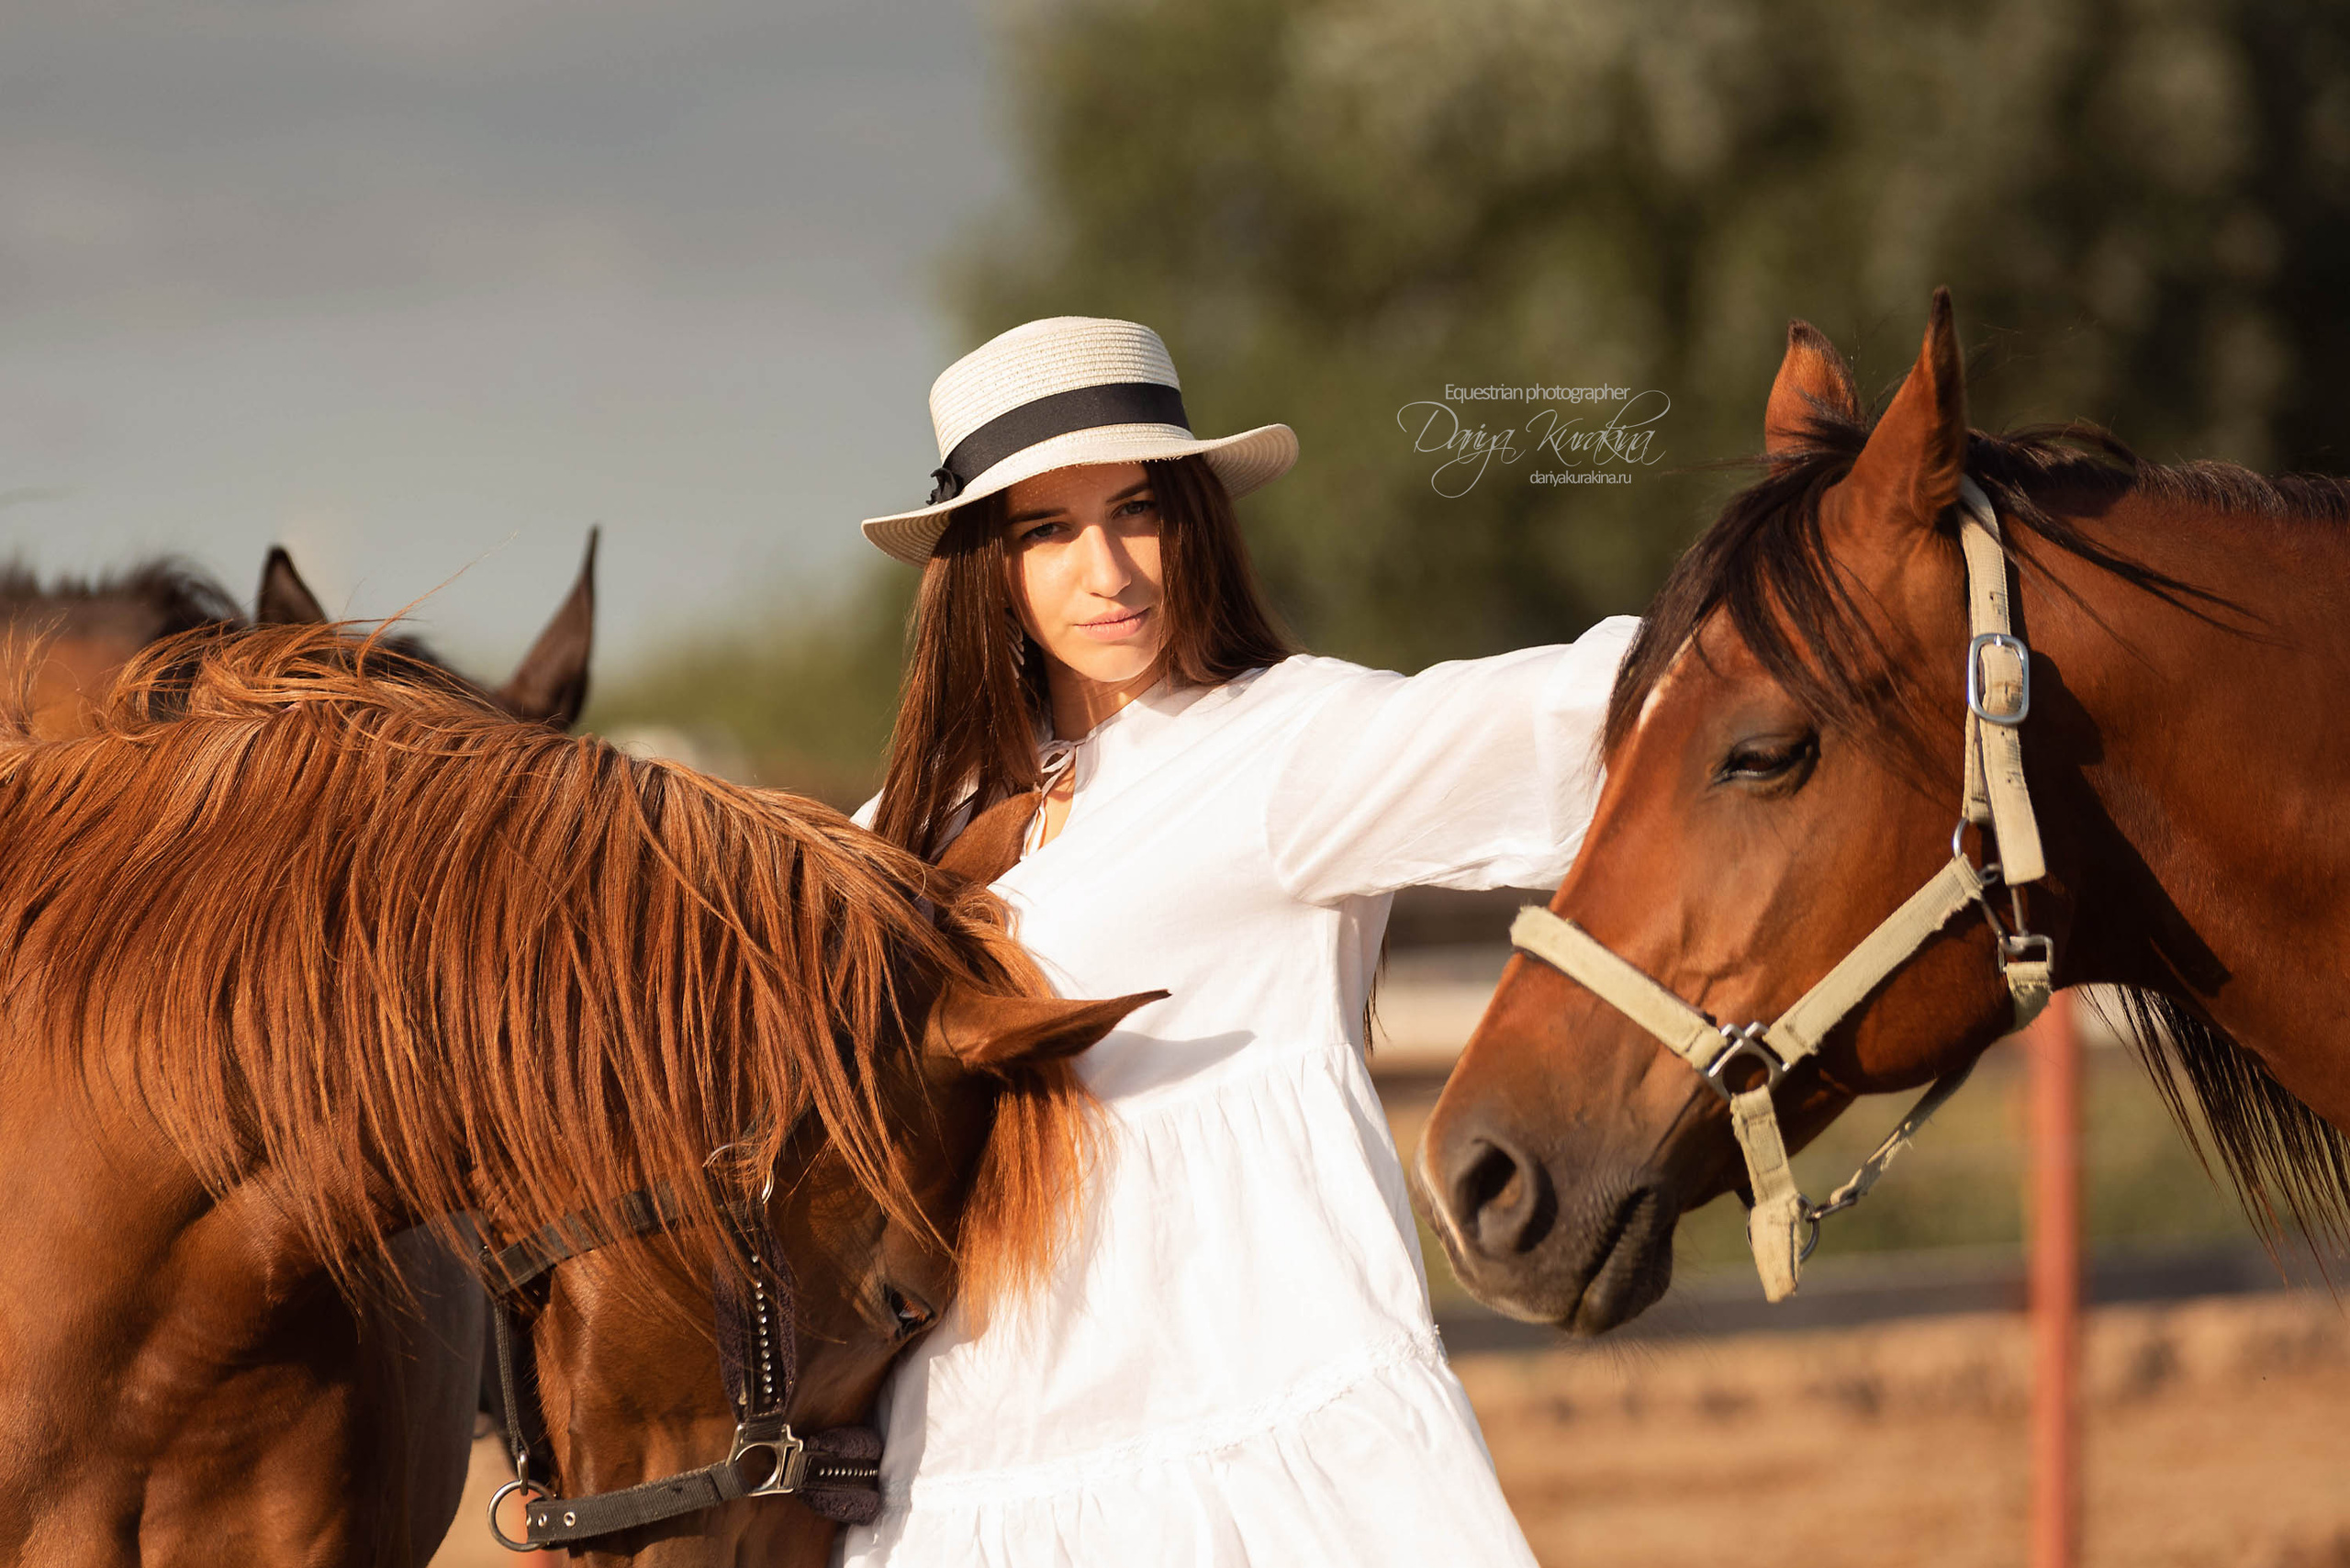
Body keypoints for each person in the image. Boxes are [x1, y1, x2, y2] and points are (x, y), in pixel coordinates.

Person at [840, 316, 1635, 1565]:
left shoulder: (1289, 748)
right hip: (955, 1479)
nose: (1107, 570)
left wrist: (1835, 596)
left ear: (1196, 521)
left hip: (1250, 1461)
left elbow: (1592, 714)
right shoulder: (897, 832)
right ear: (986, 565)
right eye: (1048, 531)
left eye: (1138, 511)